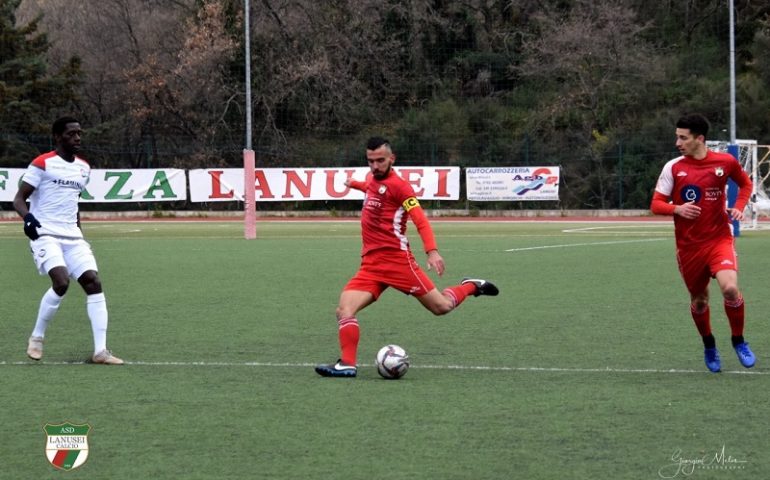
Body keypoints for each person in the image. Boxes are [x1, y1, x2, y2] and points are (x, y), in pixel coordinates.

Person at [315, 137, 498, 377]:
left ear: (392, 159)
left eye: (380, 160)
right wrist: (354, 183)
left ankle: (472, 286)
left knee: (441, 307)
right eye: (370, 161)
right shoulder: (372, 178)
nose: (375, 166)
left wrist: (431, 251)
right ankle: (347, 364)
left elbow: (420, 219)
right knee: (344, 310)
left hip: (398, 261)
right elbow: (371, 186)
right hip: (371, 265)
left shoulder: (401, 187)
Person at [13, 116, 123, 365]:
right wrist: (28, 218)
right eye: (72, 134)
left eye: (79, 133)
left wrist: (80, 234)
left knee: (93, 282)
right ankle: (37, 337)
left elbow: (73, 204)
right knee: (61, 282)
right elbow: (19, 199)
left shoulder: (84, 168)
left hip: (73, 237)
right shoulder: (42, 163)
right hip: (45, 234)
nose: (77, 138)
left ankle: (101, 351)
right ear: (58, 137)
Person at [650, 113, 755, 373]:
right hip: (689, 247)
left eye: (683, 138)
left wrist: (740, 206)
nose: (678, 143)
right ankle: (709, 345)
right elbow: (656, 204)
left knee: (730, 289)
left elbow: (745, 184)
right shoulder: (673, 167)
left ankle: (738, 341)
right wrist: (677, 209)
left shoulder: (725, 162)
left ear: (699, 139)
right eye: (677, 137)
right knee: (699, 301)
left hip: (719, 239)